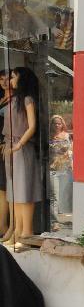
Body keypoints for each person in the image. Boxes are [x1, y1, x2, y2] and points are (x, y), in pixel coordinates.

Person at [2, 67, 41, 249]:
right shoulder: (14, 100)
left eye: (13, 77)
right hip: (11, 148)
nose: (11, 80)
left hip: (22, 148)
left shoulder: (27, 99)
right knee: (14, 192)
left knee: (24, 190)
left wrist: (19, 144)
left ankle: (27, 232)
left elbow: (32, 126)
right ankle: (17, 230)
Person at [48, 114, 73, 220]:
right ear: (51, 125)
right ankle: (55, 221)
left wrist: (72, 164)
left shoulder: (67, 135)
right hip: (53, 169)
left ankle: (66, 216)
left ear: (62, 124)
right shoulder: (48, 136)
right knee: (54, 196)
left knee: (65, 195)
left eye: (59, 123)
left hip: (66, 169)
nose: (57, 125)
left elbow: (71, 150)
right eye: (55, 123)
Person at [0, 70, 11, 239]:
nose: (3, 82)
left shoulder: (17, 99)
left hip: (6, 147)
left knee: (5, 187)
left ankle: (6, 226)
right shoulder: (1, 99)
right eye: (1, 79)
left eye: (8, 78)